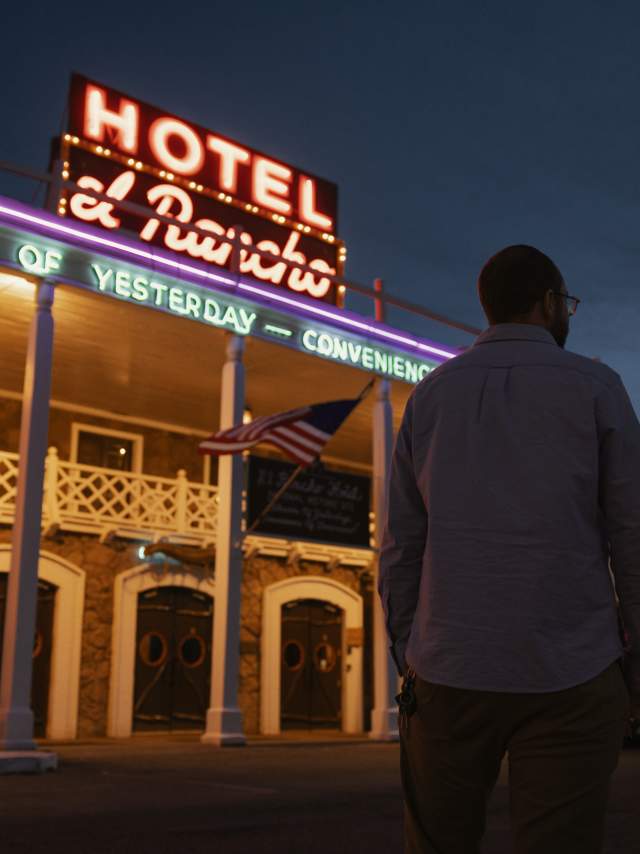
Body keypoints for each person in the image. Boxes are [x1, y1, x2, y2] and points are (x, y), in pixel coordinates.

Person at [379, 244, 640, 854]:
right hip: (573, 665)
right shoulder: (597, 388)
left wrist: (408, 650)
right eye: (564, 302)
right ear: (549, 303)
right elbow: (631, 533)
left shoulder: (429, 395)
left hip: (448, 664)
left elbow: (402, 543)